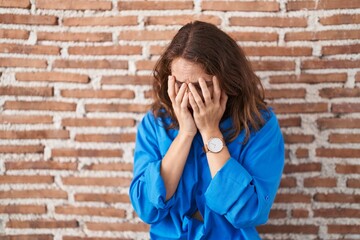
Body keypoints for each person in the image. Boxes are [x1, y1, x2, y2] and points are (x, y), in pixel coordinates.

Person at [129, 21, 284, 240]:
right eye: (181, 84)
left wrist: (211, 132)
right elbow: (146, 207)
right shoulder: (155, 124)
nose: (190, 96)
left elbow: (249, 212)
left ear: (229, 80)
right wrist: (185, 134)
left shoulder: (260, 125)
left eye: (203, 85)